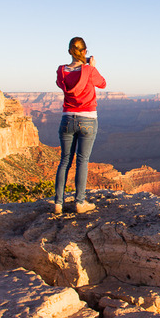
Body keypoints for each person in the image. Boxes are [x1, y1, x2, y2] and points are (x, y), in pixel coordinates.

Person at [54, 36, 106, 214]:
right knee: (82, 161)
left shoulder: (61, 71)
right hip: (88, 119)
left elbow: (60, 83)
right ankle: (79, 202)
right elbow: (103, 83)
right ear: (84, 52)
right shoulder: (89, 71)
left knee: (65, 160)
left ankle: (58, 203)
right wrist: (91, 67)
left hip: (67, 118)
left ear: (70, 51)